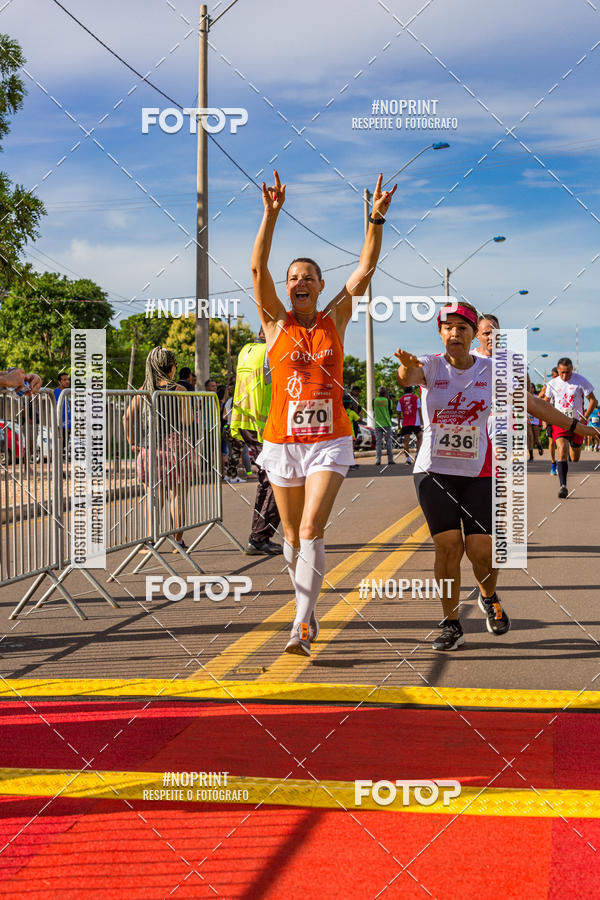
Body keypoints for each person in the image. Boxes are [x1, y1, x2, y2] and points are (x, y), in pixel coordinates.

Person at [395, 302, 599, 651]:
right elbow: (408, 378)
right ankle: (450, 623)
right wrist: (405, 369)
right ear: (441, 333)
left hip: (480, 471)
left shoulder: (494, 371)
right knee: (447, 547)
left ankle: (488, 596)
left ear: (474, 334)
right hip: (433, 470)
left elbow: (535, 406)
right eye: (448, 327)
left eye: (463, 327)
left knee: (482, 551)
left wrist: (579, 426)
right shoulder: (429, 364)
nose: (455, 333)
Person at [251, 168, 396, 656]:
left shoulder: (335, 316)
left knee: (312, 528)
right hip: (281, 441)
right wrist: (270, 215)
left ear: (319, 284)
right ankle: (308, 608)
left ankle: (299, 624)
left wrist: (374, 220)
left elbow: (365, 270)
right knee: (291, 536)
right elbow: (256, 271)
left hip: (330, 439)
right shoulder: (274, 324)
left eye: (308, 276)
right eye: (293, 277)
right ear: (287, 288)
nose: (299, 282)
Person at [124, 347, 194, 552]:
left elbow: (126, 417)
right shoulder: (179, 390)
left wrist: (132, 443)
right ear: (171, 367)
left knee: (153, 497)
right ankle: (177, 541)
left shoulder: (145, 390)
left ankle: (150, 541)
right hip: (176, 446)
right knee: (178, 495)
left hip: (149, 446)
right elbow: (187, 420)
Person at [230, 328, 282, 555]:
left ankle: (258, 535)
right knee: (277, 480)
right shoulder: (272, 351)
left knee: (266, 480)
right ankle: (259, 537)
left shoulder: (246, 350)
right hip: (265, 425)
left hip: (246, 423)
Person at [543, 357, 597, 498]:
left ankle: (572, 449)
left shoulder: (581, 381)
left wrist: (585, 416)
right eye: (562, 372)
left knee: (575, 457)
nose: (565, 376)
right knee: (561, 450)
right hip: (560, 421)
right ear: (558, 370)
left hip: (577, 423)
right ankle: (563, 486)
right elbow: (546, 403)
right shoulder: (552, 383)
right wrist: (545, 419)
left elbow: (593, 400)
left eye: (567, 372)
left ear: (572, 370)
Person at [539, 367, 559, 474]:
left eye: (557, 377)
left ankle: (561, 462)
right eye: (554, 377)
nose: (556, 379)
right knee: (551, 442)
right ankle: (553, 464)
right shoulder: (548, 385)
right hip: (550, 416)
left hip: (561, 415)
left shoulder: (563, 385)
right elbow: (540, 398)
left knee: (561, 441)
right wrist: (543, 420)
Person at [397, 386, 422, 464]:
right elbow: (420, 410)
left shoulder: (400, 400)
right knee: (419, 437)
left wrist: (398, 425)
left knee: (406, 441)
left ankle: (408, 459)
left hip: (406, 423)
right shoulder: (416, 397)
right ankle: (417, 454)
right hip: (416, 422)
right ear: (412, 390)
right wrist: (422, 422)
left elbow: (398, 413)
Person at [373, 386, 395, 467]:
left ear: (378, 393)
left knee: (378, 442)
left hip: (377, 424)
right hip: (387, 424)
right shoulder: (389, 401)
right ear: (385, 393)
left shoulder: (374, 401)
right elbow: (390, 412)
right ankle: (390, 460)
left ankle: (378, 460)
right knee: (388, 441)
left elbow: (374, 411)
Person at [54, 372, 71, 451]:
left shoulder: (68, 391)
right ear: (59, 381)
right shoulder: (55, 392)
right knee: (60, 445)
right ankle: (57, 461)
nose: (67, 381)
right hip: (60, 423)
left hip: (69, 423)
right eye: (64, 380)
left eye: (68, 379)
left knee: (66, 445)